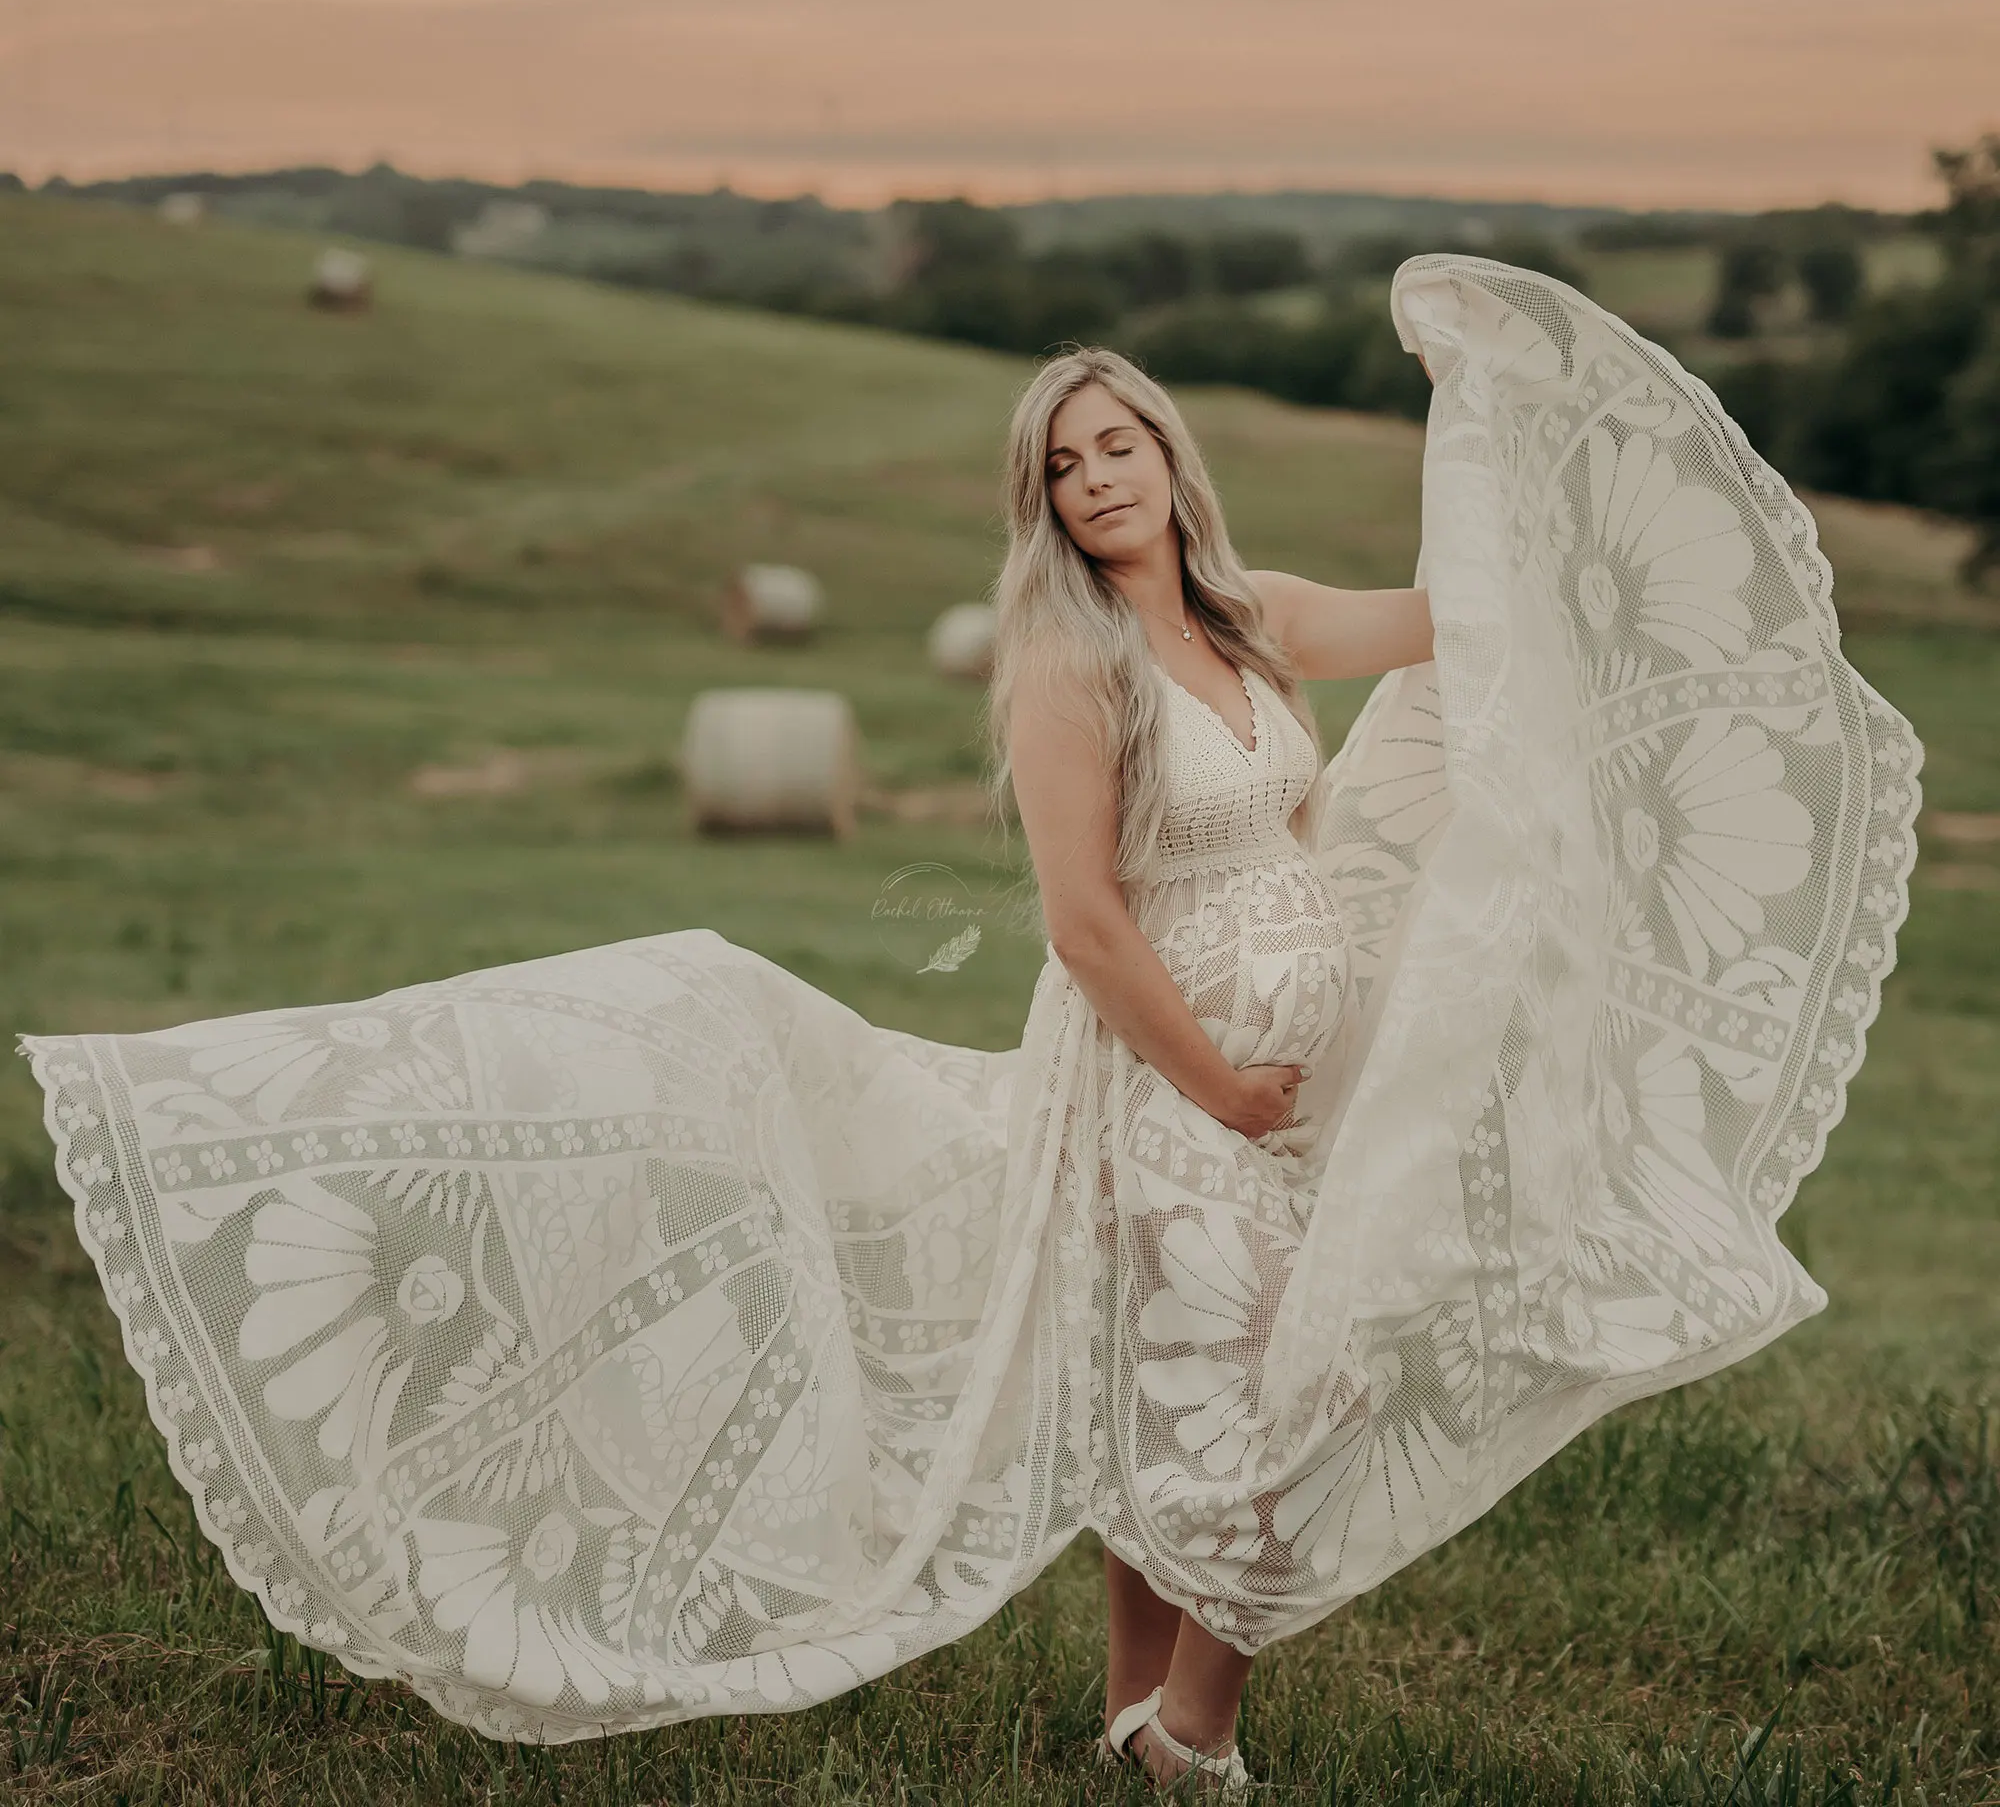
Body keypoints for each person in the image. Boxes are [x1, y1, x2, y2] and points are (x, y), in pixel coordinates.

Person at [18, 257, 1921, 1786]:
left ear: (1172, 460)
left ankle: (1120, 1716)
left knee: (1176, 1390)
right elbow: (1088, 926)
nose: (1097, 483)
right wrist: (1218, 1085)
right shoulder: (1061, 664)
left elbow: (1452, 619)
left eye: (1117, 449)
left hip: (1290, 1080)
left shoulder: (1248, 619)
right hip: (1167, 1071)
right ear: (1044, 504)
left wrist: (1508, 424)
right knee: (1286, 1389)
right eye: (1063, 468)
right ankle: (1195, 1736)